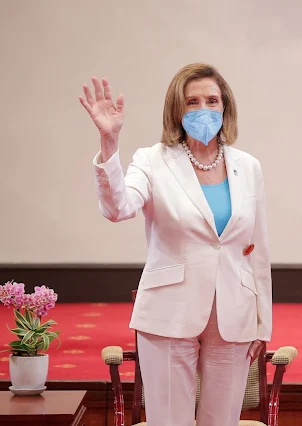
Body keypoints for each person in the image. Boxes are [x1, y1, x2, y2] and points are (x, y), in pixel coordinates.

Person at [79, 63, 272, 426]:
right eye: (192, 102)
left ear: (225, 107)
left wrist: (263, 323)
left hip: (234, 312)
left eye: (212, 101)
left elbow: (257, 248)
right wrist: (109, 143)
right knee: (169, 421)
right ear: (176, 110)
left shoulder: (248, 167)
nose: (204, 110)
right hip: (169, 310)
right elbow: (118, 208)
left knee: (223, 421)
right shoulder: (152, 161)